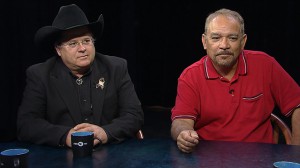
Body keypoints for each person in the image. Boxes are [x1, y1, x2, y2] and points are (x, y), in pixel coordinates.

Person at [171, 8, 300, 153]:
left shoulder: (265, 64)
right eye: (216, 38)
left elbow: (297, 105)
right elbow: (181, 121)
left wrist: (296, 153)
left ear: (243, 41)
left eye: (232, 38)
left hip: (259, 159)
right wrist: (183, 134)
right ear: (204, 42)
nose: (224, 45)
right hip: (208, 158)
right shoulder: (190, 76)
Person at [17, 4, 144, 148]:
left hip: (111, 152)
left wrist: (105, 132)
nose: (82, 48)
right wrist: (65, 136)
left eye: (86, 41)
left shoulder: (116, 68)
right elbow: (26, 124)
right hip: (61, 157)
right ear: (58, 50)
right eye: (73, 43)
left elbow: (134, 115)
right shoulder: (40, 75)